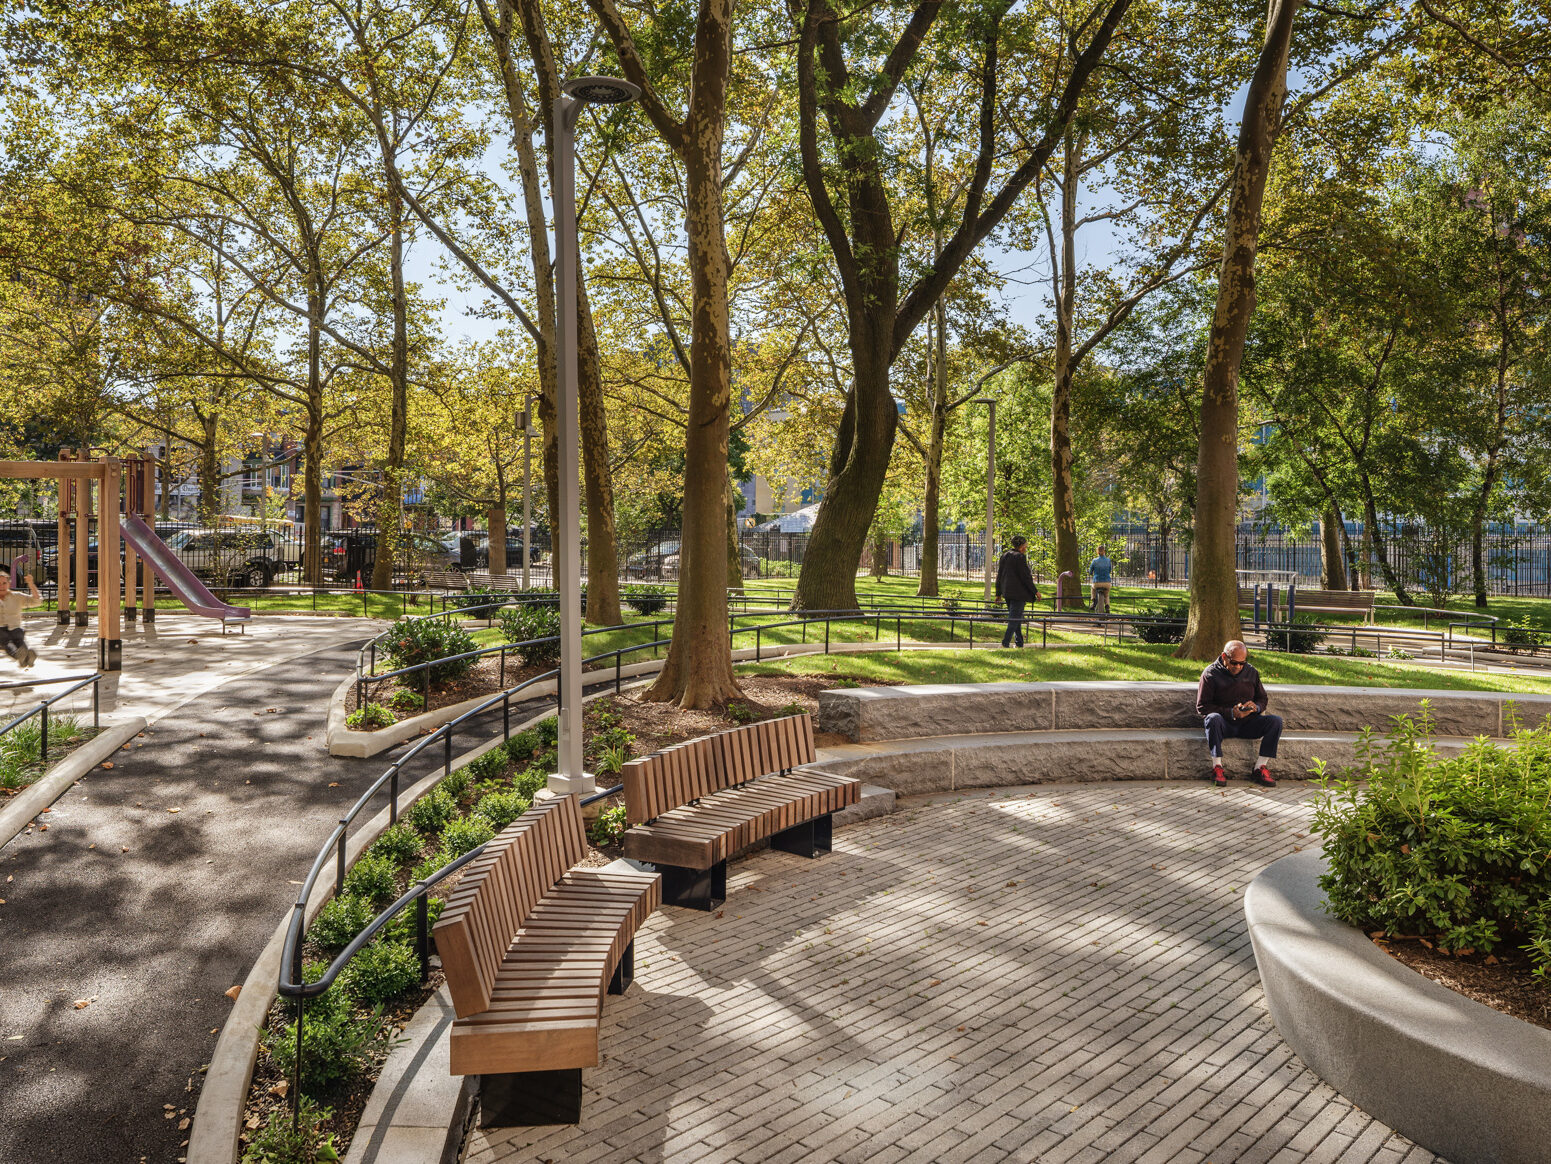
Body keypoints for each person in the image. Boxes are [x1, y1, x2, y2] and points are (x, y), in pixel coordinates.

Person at [1196, 640, 1282, 788]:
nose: (1238, 667)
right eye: (1234, 663)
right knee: (1212, 719)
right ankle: (1217, 767)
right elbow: (1202, 707)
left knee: (1276, 721)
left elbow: (1262, 699)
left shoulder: (1251, 672)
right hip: (1224, 724)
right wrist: (1231, 713)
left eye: (1242, 663)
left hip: (1248, 724)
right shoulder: (1210, 674)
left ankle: (1259, 767)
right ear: (1224, 656)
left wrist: (1256, 707)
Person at [994, 535, 1039, 648]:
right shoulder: (1020, 557)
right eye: (1025, 545)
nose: (1026, 547)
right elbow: (1025, 577)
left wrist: (998, 593)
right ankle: (1005, 643)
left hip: (1007, 592)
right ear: (1021, 546)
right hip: (1018, 594)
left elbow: (999, 575)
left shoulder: (1005, 555)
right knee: (1014, 619)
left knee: (1016, 618)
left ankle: (1019, 643)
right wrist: (1035, 591)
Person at [0, 570, 40, 668]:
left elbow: (37, 601)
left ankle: (25, 658)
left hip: (15, 629)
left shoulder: (17, 596)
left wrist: (31, 584)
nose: (2, 586)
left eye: (4, 583)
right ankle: (23, 658)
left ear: (9, 584)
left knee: (19, 641)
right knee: (6, 641)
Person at [1088, 546, 1113, 612]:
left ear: (1097, 552)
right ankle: (1107, 606)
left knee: (1093, 588)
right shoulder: (1108, 560)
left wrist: (1091, 573)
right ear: (1104, 551)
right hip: (1107, 583)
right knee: (1106, 595)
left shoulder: (1094, 560)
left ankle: (1093, 602)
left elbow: (1090, 571)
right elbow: (1109, 570)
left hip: (1097, 582)